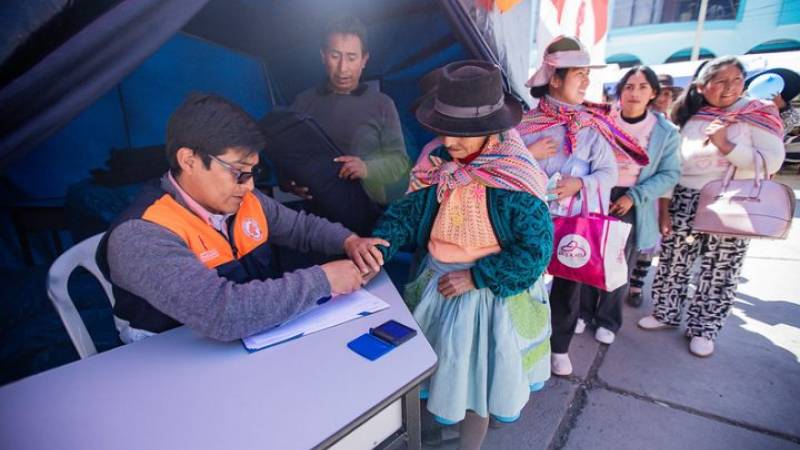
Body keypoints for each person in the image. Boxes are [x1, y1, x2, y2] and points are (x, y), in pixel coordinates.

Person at [98, 93, 387, 343]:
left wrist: (350, 241)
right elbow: (222, 313)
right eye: (238, 171)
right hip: (171, 362)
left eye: (253, 172)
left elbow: (302, 228)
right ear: (189, 160)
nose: (248, 186)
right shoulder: (142, 235)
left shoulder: (245, 200)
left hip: (249, 340)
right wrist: (323, 280)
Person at [372, 60, 553, 450]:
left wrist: (478, 277)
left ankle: (469, 443)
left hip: (485, 299)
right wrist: (378, 247)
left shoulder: (514, 176)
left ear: (490, 130)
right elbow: (408, 212)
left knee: (478, 381)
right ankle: (435, 433)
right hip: (437, 284)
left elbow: (536, 251)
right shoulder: (438, 160)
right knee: (437, 371)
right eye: (443, 130)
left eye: (460, 135)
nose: (448, 142)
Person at [638, 56, 785, 357]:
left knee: (721, 267)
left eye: (736, 80)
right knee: (673, 260)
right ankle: (665, 312)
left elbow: (772, 160)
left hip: (731, 200)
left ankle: (704, 329)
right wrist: (664, 209)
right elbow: (672, 165)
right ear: (702, 87)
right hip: (684, 198)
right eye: (720, 80)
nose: (729, 87)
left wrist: (725, 145)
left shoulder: (757, 113)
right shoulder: (692, 116)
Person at [517, 36, 636, 376]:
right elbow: (505, 168)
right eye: (579, 74)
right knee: (527, 282)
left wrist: (580, 183)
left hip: (573, 222)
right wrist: (529, 155)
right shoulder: (523, 125)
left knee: (569, 284)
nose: (586, 81)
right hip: (531, 221)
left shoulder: (592, 126)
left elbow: (609, 172)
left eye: (588, 74)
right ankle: (525, 340)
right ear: (555, 78)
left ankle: (559, 346)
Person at [577, 66, 680, 340]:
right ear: (620, 92)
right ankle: (583, 313)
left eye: (643, 87)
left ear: (654, 93)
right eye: (629, 86)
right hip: (598, 192)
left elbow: (670, 173)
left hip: (633, 201)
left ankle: (607, 321)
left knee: (618, 263)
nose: (635, 93)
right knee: (587, 256)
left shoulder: (665, 131)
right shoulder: (602, 120)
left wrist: (632, 197)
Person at [284, 16, 410, 209]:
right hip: (318, 216)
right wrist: (289, 183)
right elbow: (289, 156)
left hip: (369, 211)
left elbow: (399, 163)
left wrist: (366, 168)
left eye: (351, 57)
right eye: (335, 56)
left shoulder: (382, 103)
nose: (343, 68)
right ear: (323, 56)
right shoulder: (303, 102)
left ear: (364, 60)